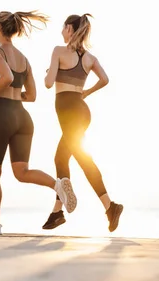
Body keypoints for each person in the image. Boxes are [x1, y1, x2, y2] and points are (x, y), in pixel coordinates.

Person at [0, 11, 77, 235]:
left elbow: (7, 77)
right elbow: (31, 96)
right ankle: (57, 185)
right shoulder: (24, 59)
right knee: (22, 172)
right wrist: (12, 96)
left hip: (0, 116)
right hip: (22, 118)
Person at [43, 13, 123, 232]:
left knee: (74, 157)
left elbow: (49, 84)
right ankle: (57, 212)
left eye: (63, 28)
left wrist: (48, 73)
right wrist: (86, 91)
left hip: (69, 112)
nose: (61, 32)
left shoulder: (59, 51)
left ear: (70, 28)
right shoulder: (89, 58)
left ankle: (109, 207)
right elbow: (105, 79)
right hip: (82, 111)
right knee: (67, 156)